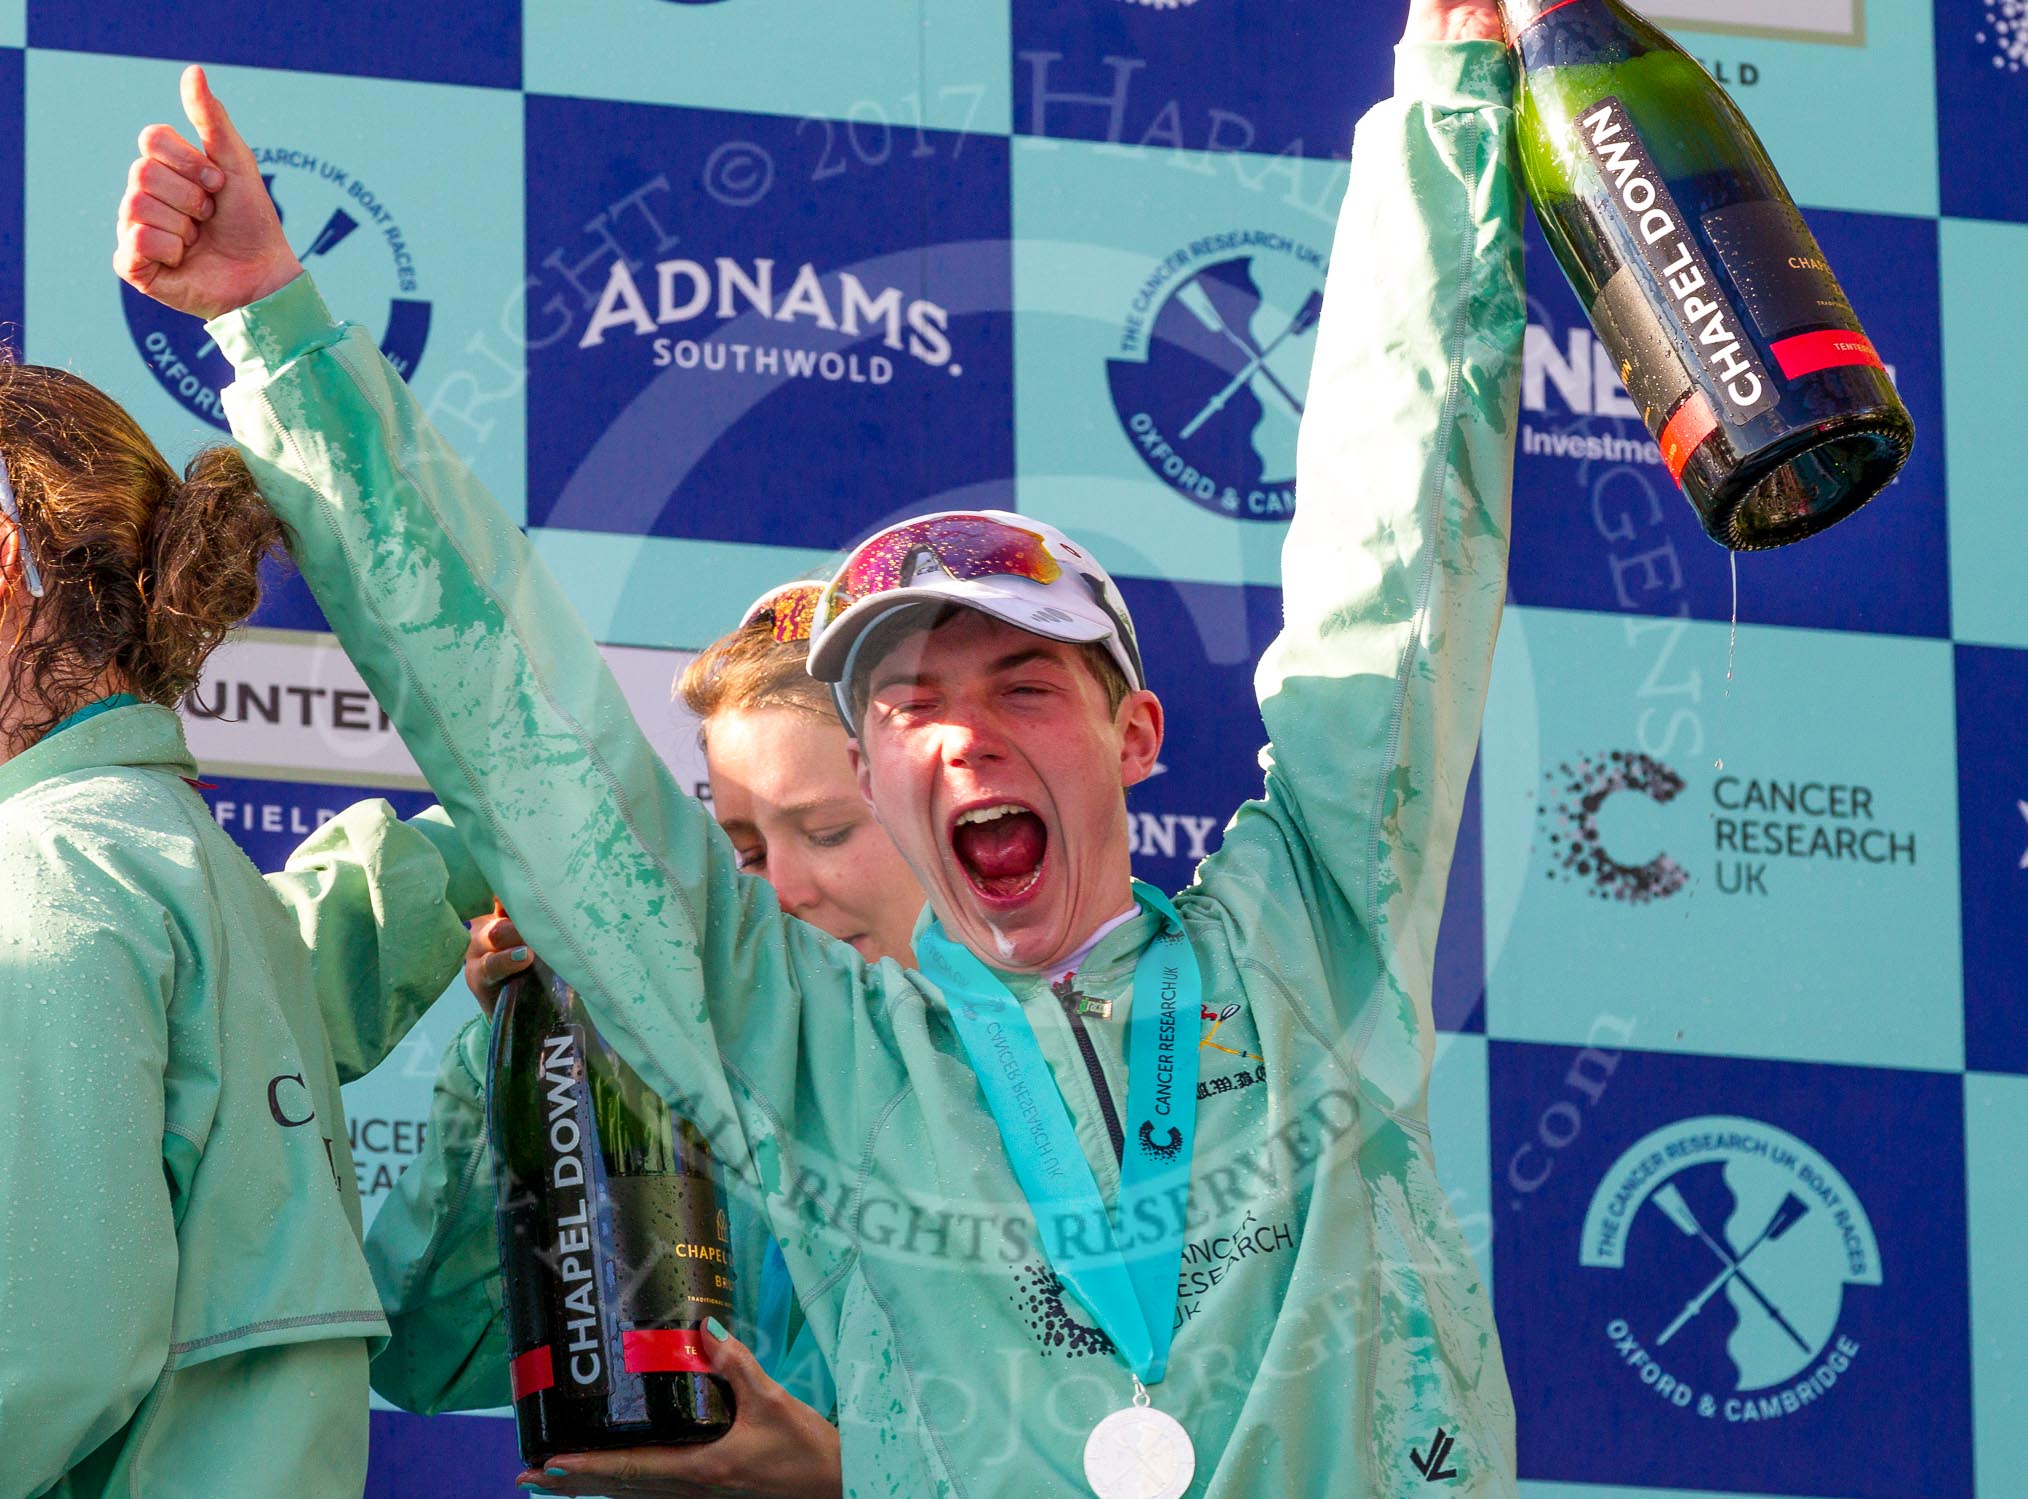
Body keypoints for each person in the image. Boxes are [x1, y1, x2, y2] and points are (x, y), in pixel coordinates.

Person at [118, 0, 1524, 1490]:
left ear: (1135, 732)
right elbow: (527, 732)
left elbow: (1396, 553)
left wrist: (1447, 90)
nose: (964, 734)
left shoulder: (1313, 933)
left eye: (1023, 685)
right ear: (879, 776)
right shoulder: (824, 1051)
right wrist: (278, 332)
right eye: (909, 705)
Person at [0, 361, 491, 1497]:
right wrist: (497, 849)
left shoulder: (53, 866)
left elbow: (46, 1349)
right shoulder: (170, 857)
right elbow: (310, 958)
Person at [367, 583, 929, 1495]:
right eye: (746, 853)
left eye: (827, 832)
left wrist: (845, 1480)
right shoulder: (680, 1079)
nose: (781, 893)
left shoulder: (1058, 1094)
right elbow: (427, 1351)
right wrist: (524, 1063)